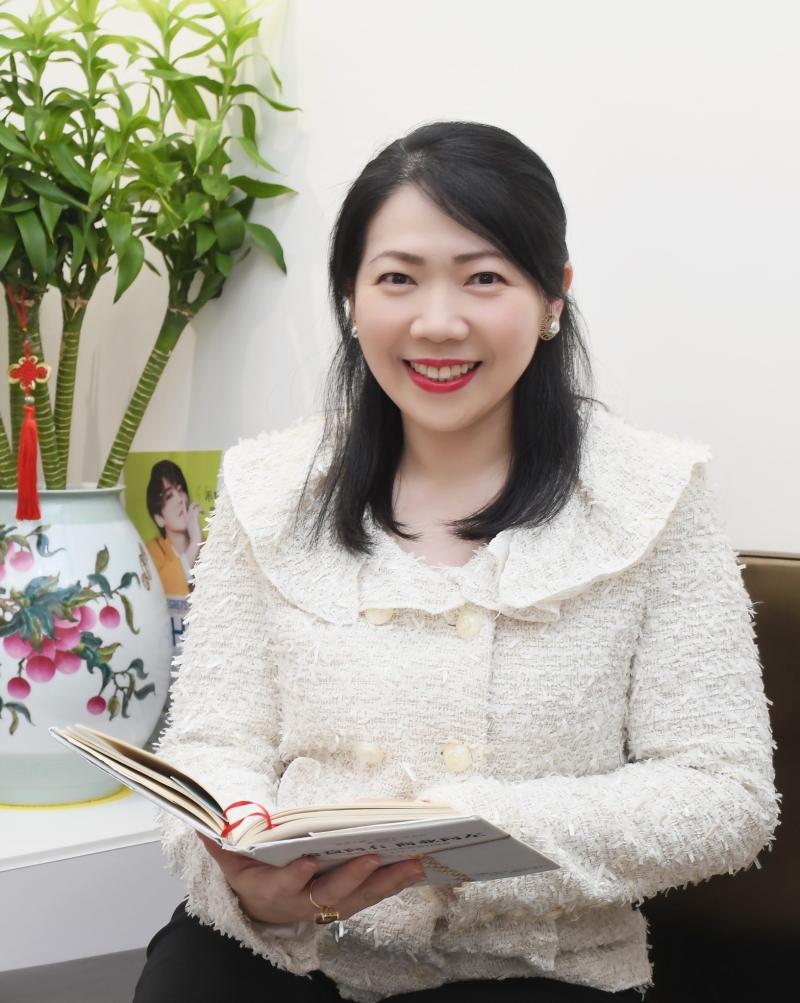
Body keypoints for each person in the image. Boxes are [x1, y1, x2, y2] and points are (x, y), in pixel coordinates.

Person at [134, 123, 777, 1002]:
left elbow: (725, 793)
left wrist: (462, 831)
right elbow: (215, 743)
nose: (438, 323)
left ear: (553, 297)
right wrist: (247, 869)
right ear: (350, 298)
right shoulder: (266, 487)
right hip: (292, 946)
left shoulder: (653, 496)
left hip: (536, 966)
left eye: (484, 278)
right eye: (398, 279)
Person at [145, 461, 205, 596]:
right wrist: (195, 543)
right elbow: (160, 590)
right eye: (169, 496)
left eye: (180, 490)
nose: (180, 499)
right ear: (159, 518)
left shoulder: (210, 545)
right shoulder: (153, 552)